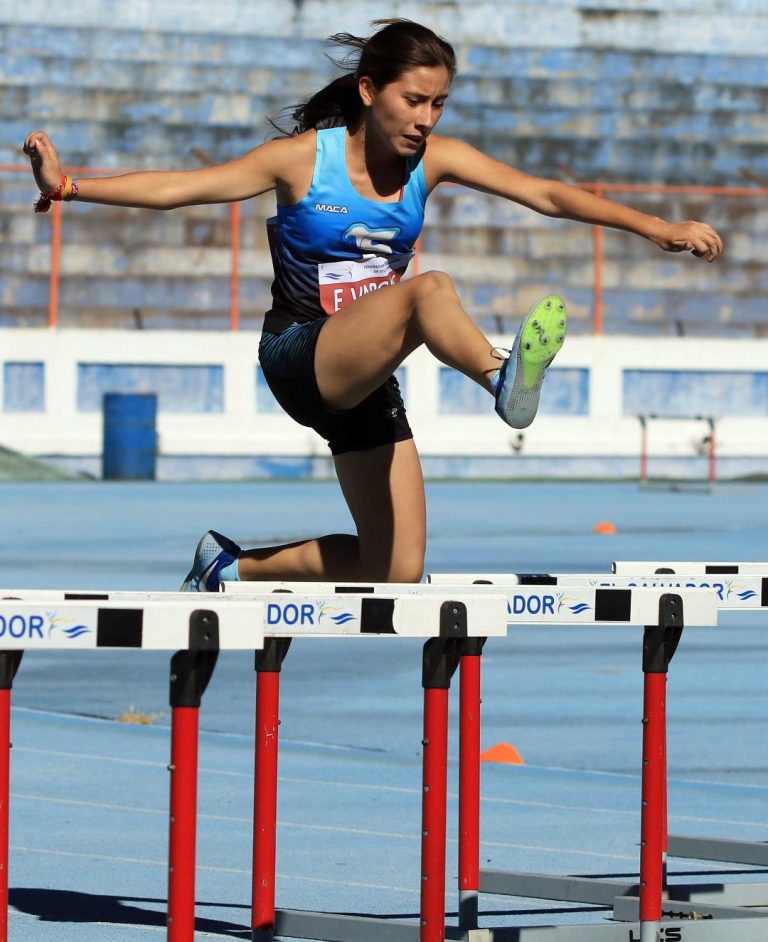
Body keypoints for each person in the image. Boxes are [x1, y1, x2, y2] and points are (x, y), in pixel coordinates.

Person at [24, 19, 723, 589]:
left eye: (438, 104)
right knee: (429, 289)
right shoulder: (302, 159)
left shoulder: (433, 161)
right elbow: (182, 188)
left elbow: (544, 193)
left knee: (394, 570)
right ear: (368, 90)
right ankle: (499, 377)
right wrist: (68, 186)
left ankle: (228, 566)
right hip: (300, 354)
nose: (426, 120)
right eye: (413, 101)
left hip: (363, 373)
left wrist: (656, 227)